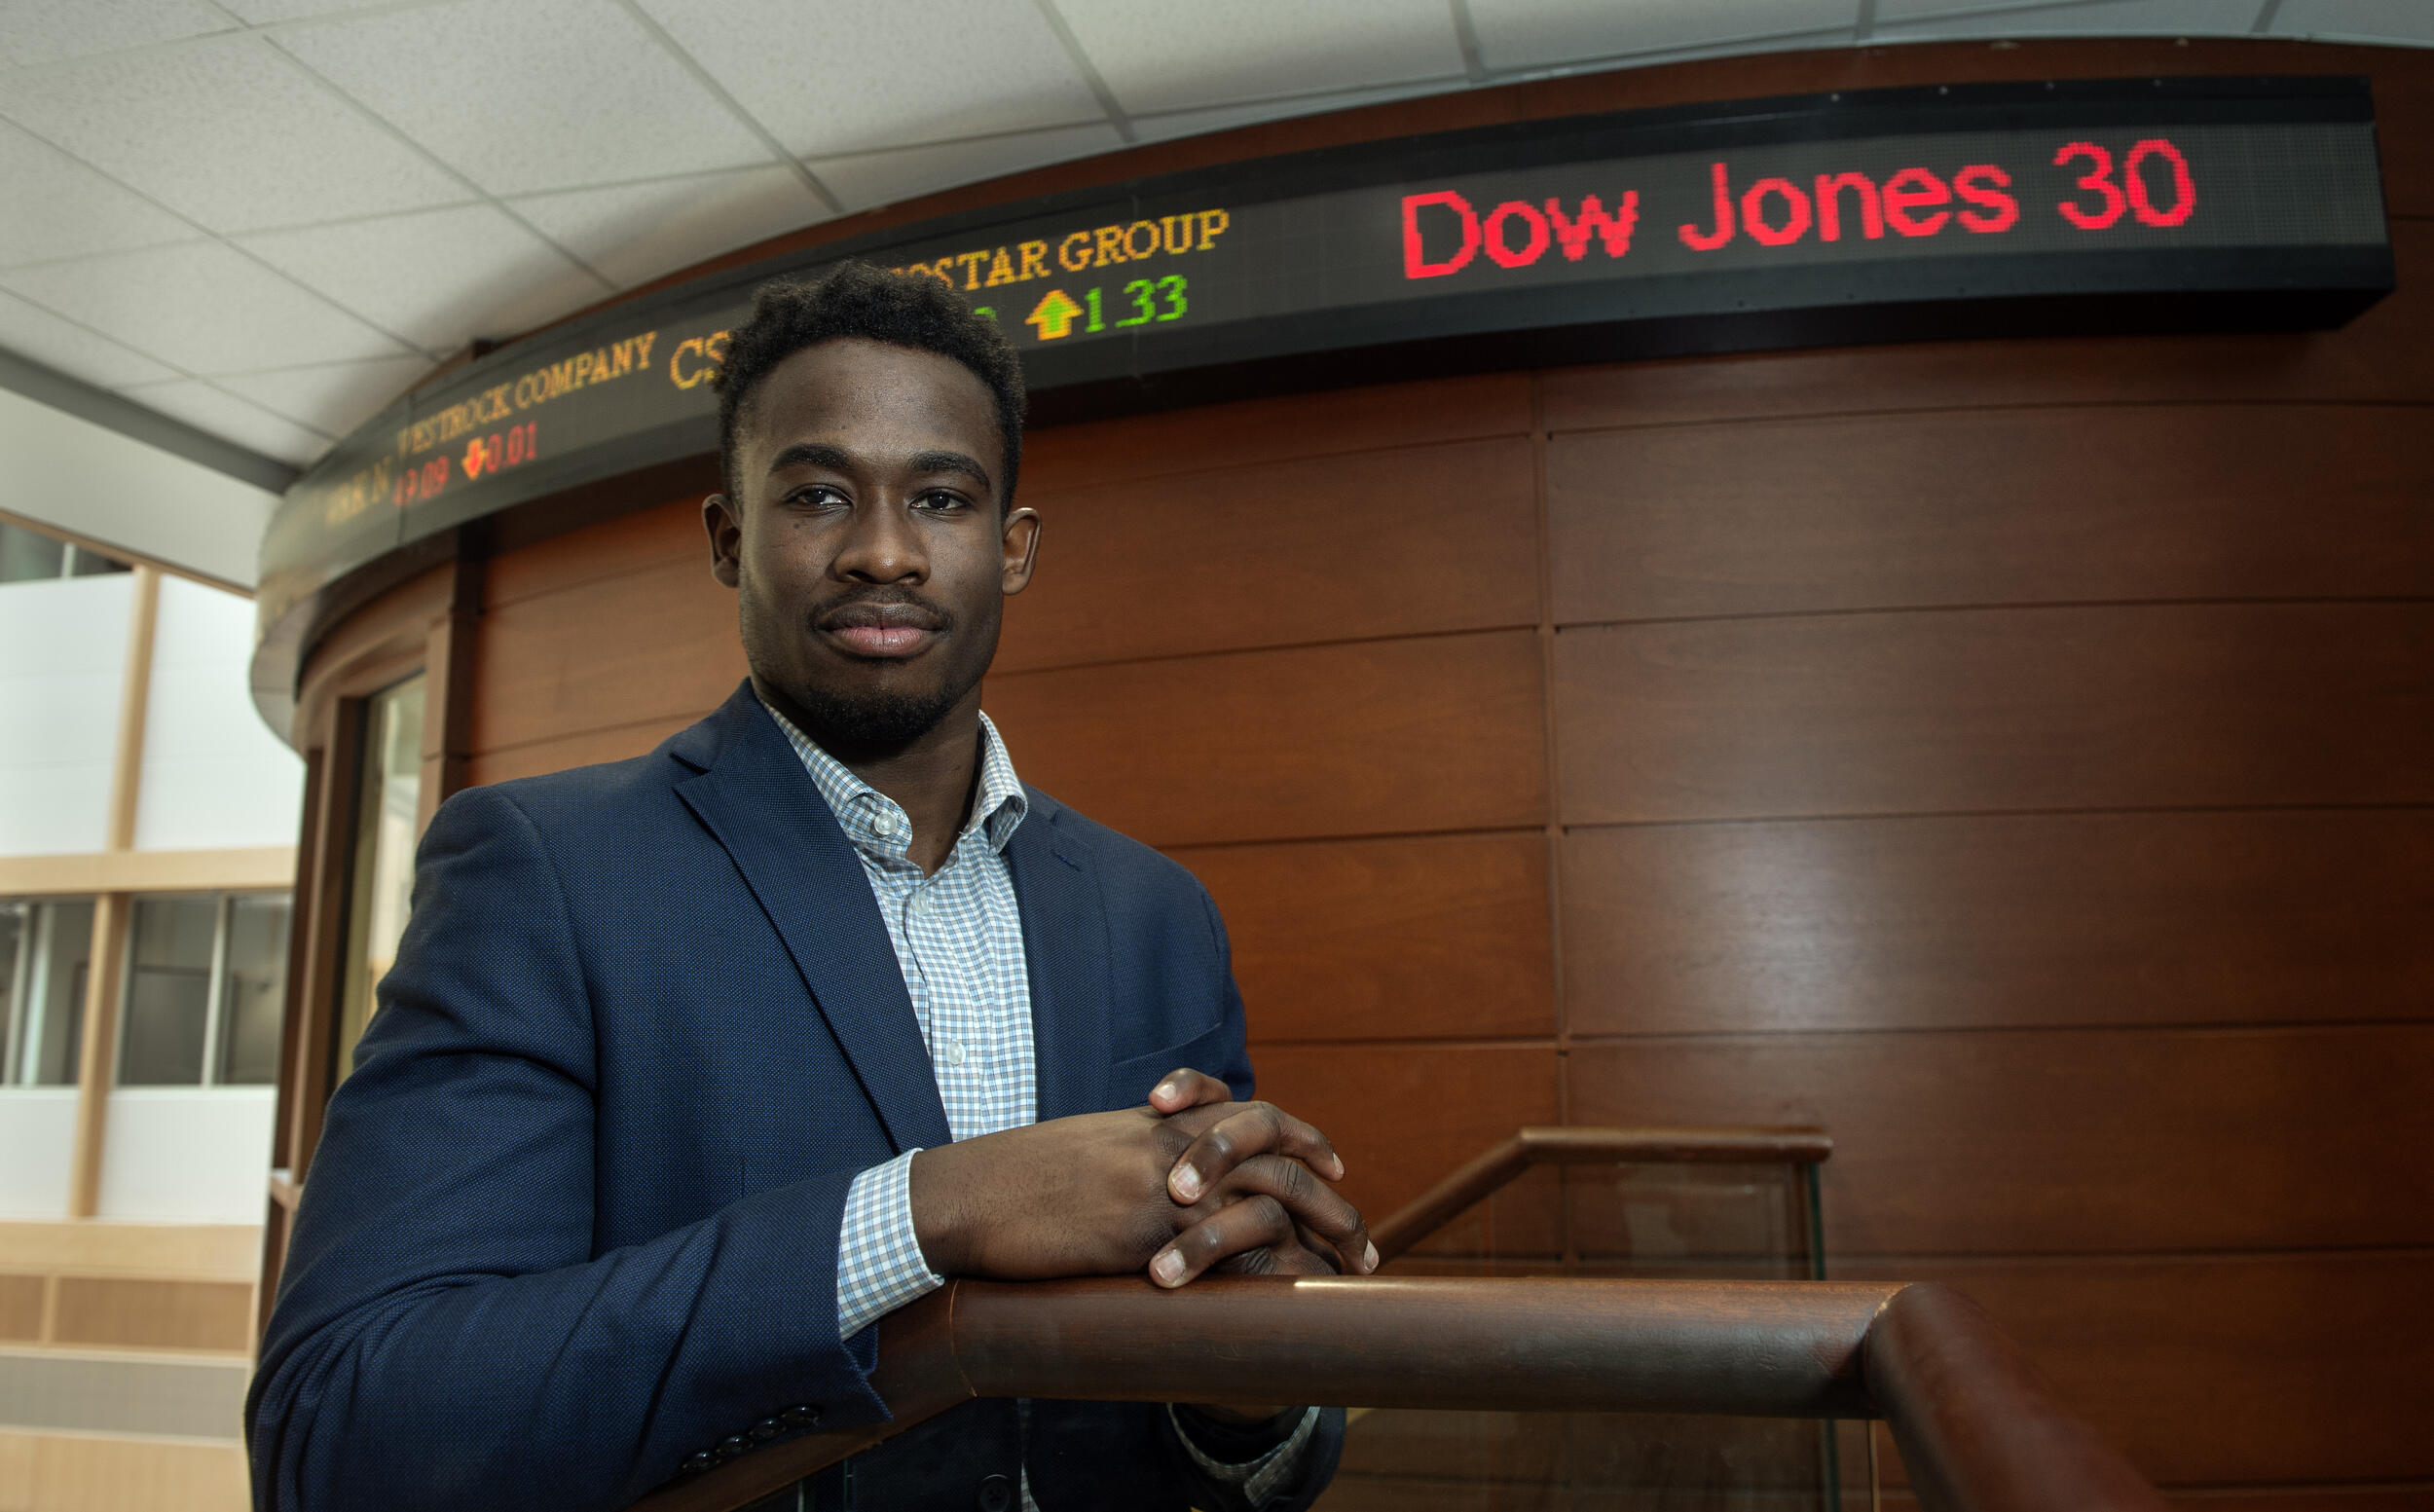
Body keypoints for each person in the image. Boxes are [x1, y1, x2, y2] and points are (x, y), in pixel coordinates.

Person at [246, 263, 1378, 1512]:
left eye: (940, 497)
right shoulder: (547, 873)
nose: (883, 550)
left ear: (1012, 549)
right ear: (730, 538)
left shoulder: (1156, 915)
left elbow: (1239, 1454)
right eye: (820, 494)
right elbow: (346, 1429)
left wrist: (1247, 1387)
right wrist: (930, 1207)